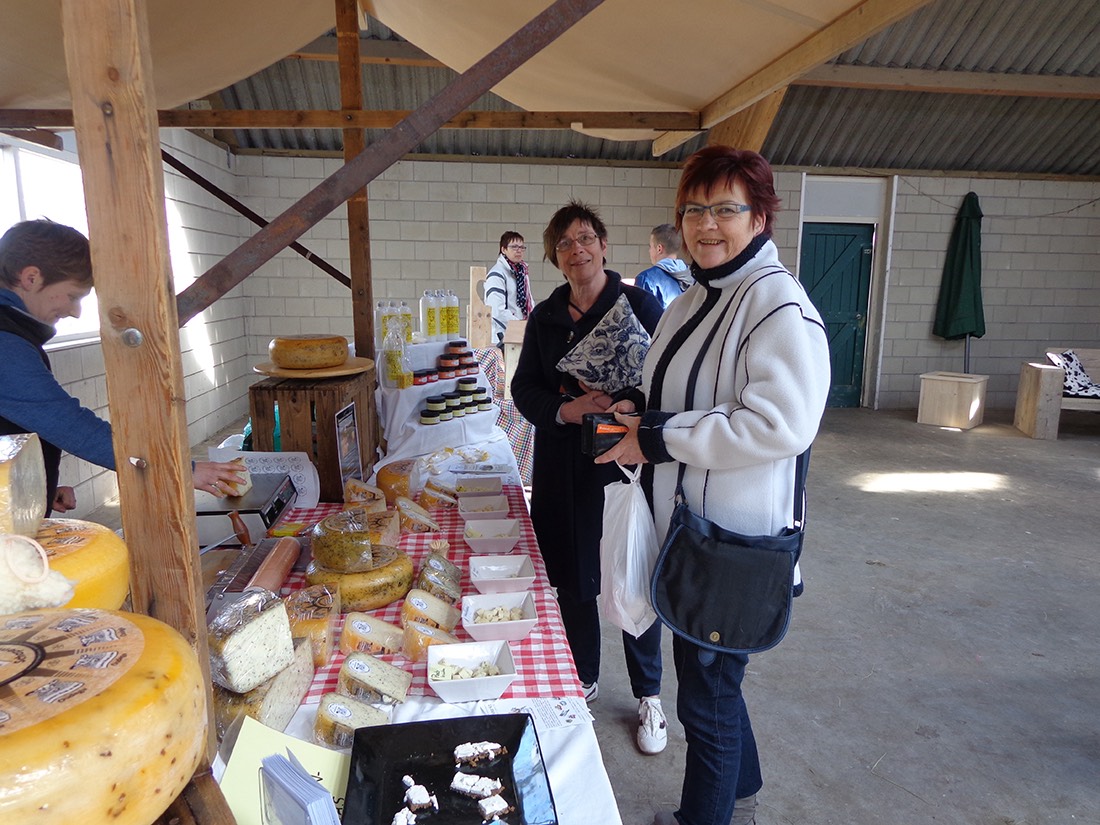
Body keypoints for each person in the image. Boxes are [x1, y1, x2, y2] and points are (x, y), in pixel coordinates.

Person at [596, 147, 831, 825]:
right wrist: (635, 407)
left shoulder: (777, 305)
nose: (706, 224)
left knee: (707, 700)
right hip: (688, 533)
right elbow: (674, 386)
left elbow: (779, 423)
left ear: (759, 217)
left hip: (731, 544)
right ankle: (742, 796)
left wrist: (659, 436)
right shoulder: (695, 297)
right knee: (715, 681)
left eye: (725, 209)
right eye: (694, 210)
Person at [511, 201, 668, 754]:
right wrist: (567, 409)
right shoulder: (546, 317)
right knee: (576, 578)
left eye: (585, 238)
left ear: (603, 245)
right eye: (564, 243)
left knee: (632, 571)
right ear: (555, 257)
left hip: (625, 464)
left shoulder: (640, 305)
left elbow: (664, 381)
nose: (576, 250)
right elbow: (523, 388)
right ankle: (584, 678)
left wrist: (629, 401)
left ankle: (649, 694)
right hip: (565, 466)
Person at [0, 219, 248, 516]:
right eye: (73, 296)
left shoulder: (13, 333)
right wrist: (179, 467)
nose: (75, 312)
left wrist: (36, 487)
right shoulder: (5, 343)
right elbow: (65, 421)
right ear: (31, 278)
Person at [485, 231, 534, 345]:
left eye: (522, 247)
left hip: (520, 334)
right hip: (503, 337)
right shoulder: (497, 274)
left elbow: (530, 302)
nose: (519, 250)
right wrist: (521, 326)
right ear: (503, 249)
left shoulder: (522, 273)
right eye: (514, 247)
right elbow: (496, 310)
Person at [634, 223, 692, 309]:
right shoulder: (693, 278)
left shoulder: (646, 279)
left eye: (650, 246)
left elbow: (638, 314)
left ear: (659, 249)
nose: (649, 251)